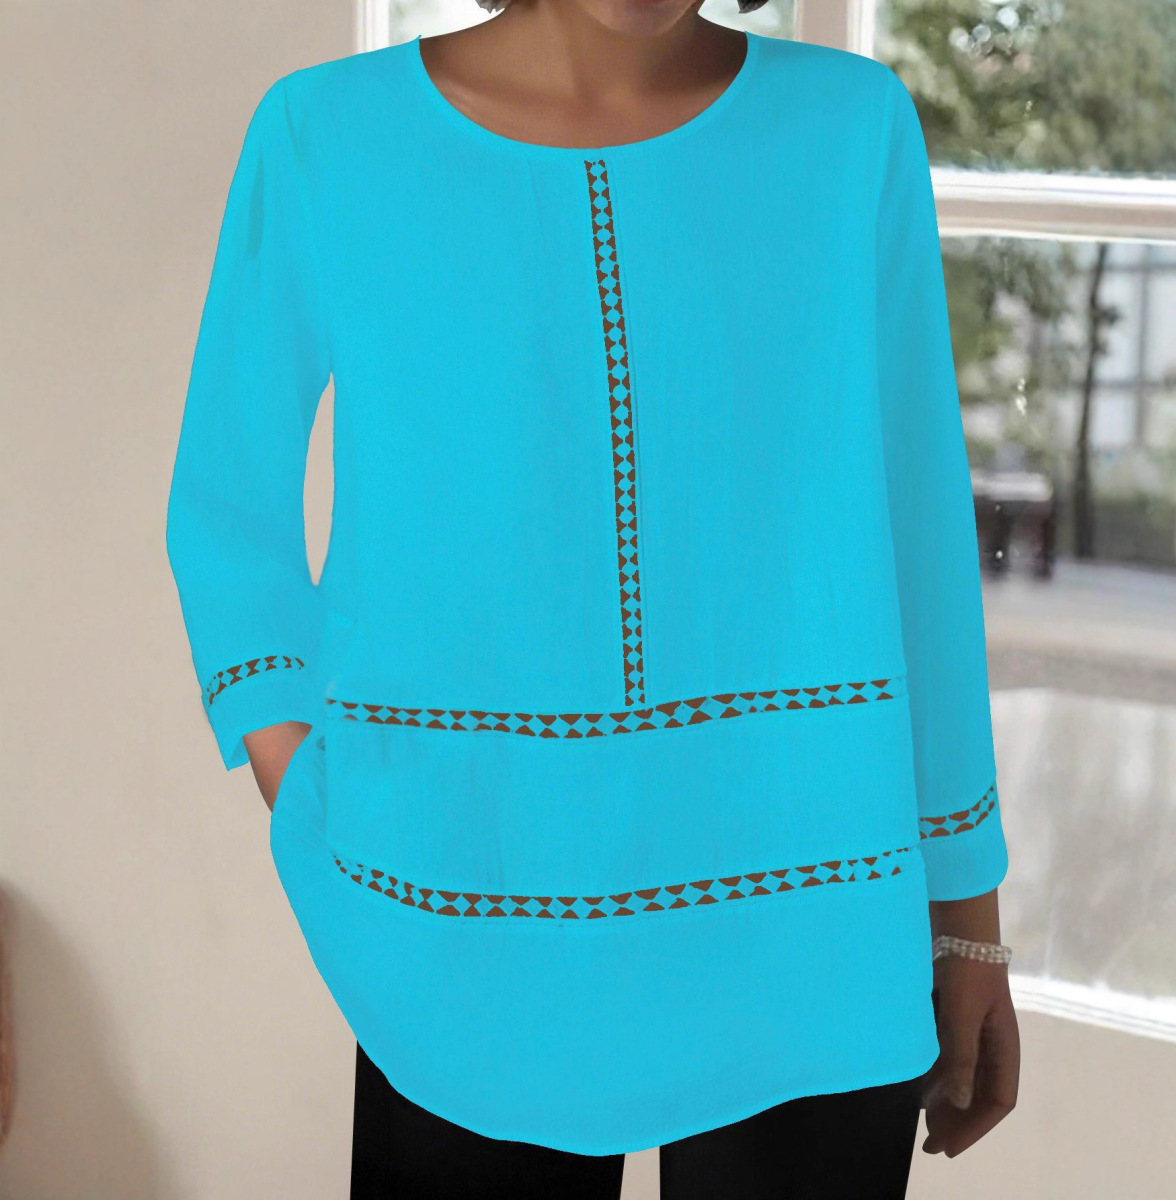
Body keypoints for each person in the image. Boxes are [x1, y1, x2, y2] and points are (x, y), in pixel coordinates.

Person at [164, 1, 1020, 1195]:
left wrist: (967, 916)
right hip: (457, 921)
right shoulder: (324, 136)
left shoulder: (851, 131)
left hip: (810, 915)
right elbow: (226, 509)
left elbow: (920, 536)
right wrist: (302, 782)